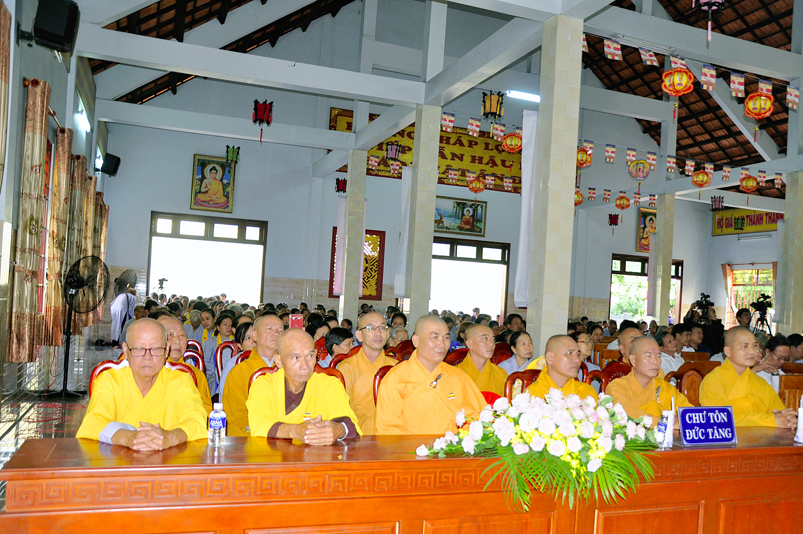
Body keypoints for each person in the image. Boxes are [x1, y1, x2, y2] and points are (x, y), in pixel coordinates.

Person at [76, 318, 207, 449]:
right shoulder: (110, 380)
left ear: (166, 350)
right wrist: (128, 437)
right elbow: (93, 421)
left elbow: (196, 420)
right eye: (139, 349)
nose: (147, 357)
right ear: (125, 350)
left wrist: (170, 437)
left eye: (155, 349)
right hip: (119, 458)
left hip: (169, 458)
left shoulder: (181, 381)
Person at [375, 316, 485, 435]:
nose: (442, 344)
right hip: (411, 446)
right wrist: (427, 445)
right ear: (416, 341)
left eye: (446, 337)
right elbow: (387, 429)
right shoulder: (396, 379)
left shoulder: (458, 377)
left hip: (455, 445)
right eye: (435, 337)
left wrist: (459, 441)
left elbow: (480, 417)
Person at [246, 329, 361, 443]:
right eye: (296, 358)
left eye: (310, 356)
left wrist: (338, 430)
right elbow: (258, 423)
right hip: (273, 453)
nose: (304, 366)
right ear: (279, 360)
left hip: (316, 453)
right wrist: (295, 431)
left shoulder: (329, 384)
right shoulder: (263, 385)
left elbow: (349, 425)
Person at [700, 327, 796, 428]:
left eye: (754, 346)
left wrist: (788, 420)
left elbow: (779, 411)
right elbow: (718, 421)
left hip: (764, 437)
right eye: (744, 346)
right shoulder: (713, 380)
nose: (752, 351)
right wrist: (769, 420)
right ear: (728, 351)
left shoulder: (760, 382)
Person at [607, 337, 692, 428]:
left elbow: (688, 412)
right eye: (648, 356)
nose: (655, 361)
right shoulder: (617, 387)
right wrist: (666, 422)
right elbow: (627, 415)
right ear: (633, 360)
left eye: (658, 356)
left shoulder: (664, 387)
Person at [221, 314, 283, 435]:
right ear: (254, 335)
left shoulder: (292, 369)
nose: (276, 333)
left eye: (280, 330)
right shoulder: (239, 372)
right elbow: (235, 417)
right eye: (269, 329)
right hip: (253, 435)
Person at [336, 312, 397, 434]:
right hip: (357, 435)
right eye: (371, 328)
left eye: (382, 327)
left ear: (387, 333)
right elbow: (344, 413)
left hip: (391, 433)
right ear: (359, 335)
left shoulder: (396, 367)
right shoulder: (346, 368)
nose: (378, 333)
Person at [157, 314, 213, 413]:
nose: (177, 341)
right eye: (170, 335)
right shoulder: (146, 371)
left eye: (182, 335)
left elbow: (205, 412)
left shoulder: (196, 374)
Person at [526, 335, 597, 401]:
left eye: (578, 354)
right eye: (569, 353)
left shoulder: (587, 394)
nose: (577, 360)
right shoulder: (532, 396)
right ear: (550, 358)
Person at [456, 324, 507, 396]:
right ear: (469, 344)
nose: (491, 344)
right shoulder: (455, 374)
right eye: (485, 338)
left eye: (493, 339)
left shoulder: (500, 373)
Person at [202, 313, 235, 392]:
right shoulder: (209, 342)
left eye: (230, 325)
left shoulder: (235, 342)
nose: (228, 327)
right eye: (225, 324)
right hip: (212, 376)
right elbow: (205, 361)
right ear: (218, 327)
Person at [110, 274, 137, 345]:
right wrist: (132, 318)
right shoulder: (132, 297)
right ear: (134, 293)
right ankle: (120, 343)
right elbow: (131, 310)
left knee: (115, 325)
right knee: (123, 327)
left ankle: (114, 342)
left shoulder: (121, 295)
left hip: (114, 309)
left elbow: (112, 303)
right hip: (122, 310)